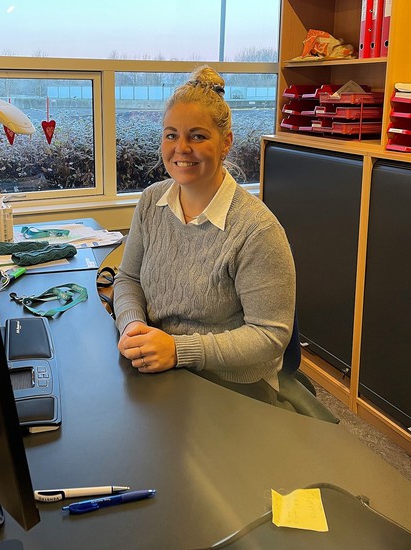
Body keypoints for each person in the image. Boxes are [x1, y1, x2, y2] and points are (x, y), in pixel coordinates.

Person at [113, 65, 296, 405]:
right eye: (171, 135)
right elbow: (128, 279)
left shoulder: (257, 230)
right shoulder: (151, 201)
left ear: (226, 143)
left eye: (197, 136)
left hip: (231, 386)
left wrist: (178, 350)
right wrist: (132, 327)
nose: (181, 148)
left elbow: (270, 335)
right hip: (160, 368)